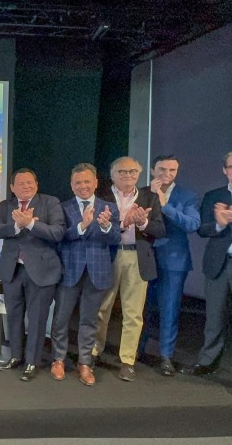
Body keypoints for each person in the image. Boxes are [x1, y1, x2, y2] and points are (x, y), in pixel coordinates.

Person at [92, 157, 164, 382]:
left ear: (139, 174)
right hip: (108, 256)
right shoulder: (101, 198)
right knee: (101, 308)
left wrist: (142, 223)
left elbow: (160, 230)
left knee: (133, 313)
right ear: (112, 175)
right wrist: (124, 222)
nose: (128, 176)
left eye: (132, 171)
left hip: (137, 256)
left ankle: (127, 361)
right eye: (122, 172)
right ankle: (94, 352)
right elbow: (94, 229)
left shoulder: (150, 198)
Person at [50, 163, 120, 386]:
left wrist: (106, 226)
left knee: (89, 320)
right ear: (71, 185)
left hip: (97, 271)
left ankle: (85, 363)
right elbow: (59, 236)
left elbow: (115, 239)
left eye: (87, 181)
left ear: (96, 183)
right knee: (61, 318)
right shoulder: (62, 207)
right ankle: (58, 359)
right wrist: (82, 225)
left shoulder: (109, 207)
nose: (83, 186)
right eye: (78, 182)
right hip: (69, 270)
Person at [0, 168, 65, 381]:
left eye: (30, 182)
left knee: (37, 319)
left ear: (36, 184)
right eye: (21, 183)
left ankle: (32, 361)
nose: (26, 186)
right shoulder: (5, 206)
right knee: (14, 316)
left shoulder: (50, 203)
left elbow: (58, 232)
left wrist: (31, 224)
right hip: (12, 270)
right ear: (12, 187)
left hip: (41, 271)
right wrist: (16, 226)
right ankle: (16, 356)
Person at [141, 155, 199, 376]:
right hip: (144, 256)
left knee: (170, 309)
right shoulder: (141, 193)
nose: (167, 174)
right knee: (140, 308)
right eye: (162, 169)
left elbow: (192, 224)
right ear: (152, 170)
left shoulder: (188, 195)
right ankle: (135, 350)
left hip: (174, 260)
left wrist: (165, 205)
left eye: (172, 170)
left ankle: (166, 356)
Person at [180, 151, 232, 376]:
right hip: (218, 263)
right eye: (231, 167)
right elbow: (201, 229)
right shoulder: (214, 196)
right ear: (224, 170)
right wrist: (220, 224)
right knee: (215, 316)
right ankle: (208, 361)